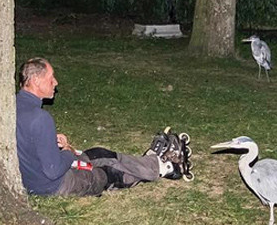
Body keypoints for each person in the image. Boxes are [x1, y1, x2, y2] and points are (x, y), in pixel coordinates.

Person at [16, 57, 186, 197]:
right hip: (54, 185)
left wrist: (48, 139)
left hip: (34, 178)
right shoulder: (40, 118)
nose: (55, 82)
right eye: (51, 78)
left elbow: (28, 138)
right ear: (36, 81)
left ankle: (153, 162)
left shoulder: (15, 105)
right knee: (105, 173)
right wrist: (67, 151)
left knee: (98, 153)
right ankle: (165, 168)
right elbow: (53, 171)